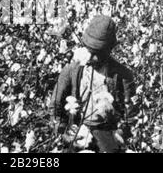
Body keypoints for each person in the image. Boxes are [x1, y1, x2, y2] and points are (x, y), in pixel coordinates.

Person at [50, 15, 136, 153]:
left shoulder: (122, 75)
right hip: (77, 130)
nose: (91, 57)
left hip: (107, 133)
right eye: (89, 50)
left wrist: (120, 133)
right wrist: (63, 131)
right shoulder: (72, 70)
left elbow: (132, 115)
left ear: (109, 50)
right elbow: (56, 105)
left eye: (98, 53)